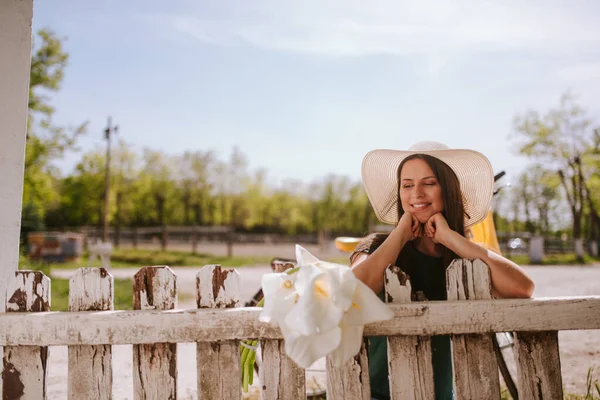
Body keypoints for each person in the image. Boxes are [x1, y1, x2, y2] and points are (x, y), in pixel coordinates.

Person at [350, 141, 535, 400]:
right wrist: (400, 235)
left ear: (448, 190)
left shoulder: (465, 255)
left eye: (429, 182)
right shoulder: (377, 247)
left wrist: (452, 239)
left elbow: (522, 288)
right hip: (374, 394)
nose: (416, 193)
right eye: (407, 185)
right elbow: (349, 292)